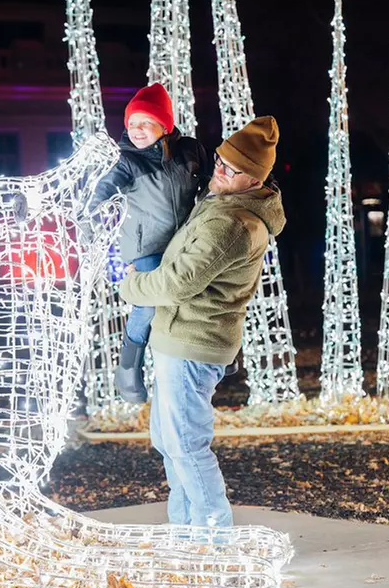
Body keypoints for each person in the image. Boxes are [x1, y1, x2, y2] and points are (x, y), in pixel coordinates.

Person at [118, 116, 284, 527]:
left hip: (193, 342)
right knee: (170, 442)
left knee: (186, 445)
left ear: (255, 180)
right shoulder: (221, 203)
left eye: (234, 170)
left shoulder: (231, 223)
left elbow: (177, 283)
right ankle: (186, 533)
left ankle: (214, 539)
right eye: (221, 162)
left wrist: (131, 287)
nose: (221, 172)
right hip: (179, 337)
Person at [84, 83, 209, 405]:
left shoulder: (191, 150)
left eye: (145, 123)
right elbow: (94, 201)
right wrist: (95, 233)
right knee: (151, 303)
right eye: (131, 124)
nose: (136, 130)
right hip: (146, 247)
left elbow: (208, 187)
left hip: (185, 240)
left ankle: (212, 352)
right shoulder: (126, 162)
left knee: (204, 290)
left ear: (164, 125)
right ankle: (128, 371)